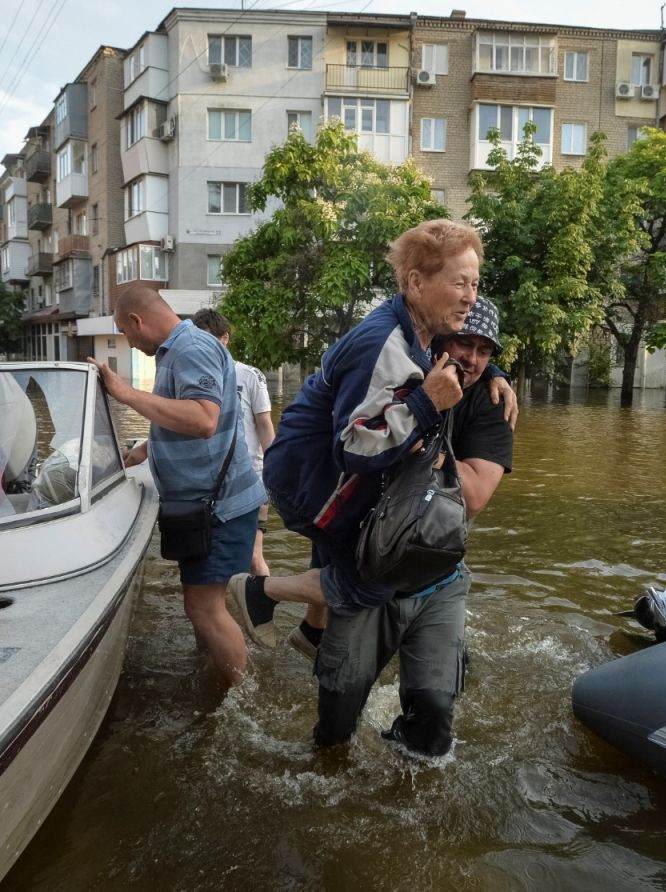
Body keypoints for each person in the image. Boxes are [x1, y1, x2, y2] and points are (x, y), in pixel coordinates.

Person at [229, 219, 513, 751]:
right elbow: (354, 449)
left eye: (475, 284)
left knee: (357, 564)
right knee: (367, 581)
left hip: (326, 480)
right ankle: (259, 592)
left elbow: (461, 363)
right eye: (461, 283)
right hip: (312, 485)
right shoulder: (386, 343)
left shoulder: (419, 334)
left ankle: (313, 633)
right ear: (415, 283)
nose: (470, 296)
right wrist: (428, 403)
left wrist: (496, 375)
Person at [89, 285, 265, 689]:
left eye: (125, 333)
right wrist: (149, 448)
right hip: (208, 506)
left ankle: (245, 698)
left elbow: (203, 419)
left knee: (204, 609)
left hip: (220, 508)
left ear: (137, 321)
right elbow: (207, 420)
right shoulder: (179, 349)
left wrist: (127, 393)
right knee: (204, 606)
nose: (130, 344)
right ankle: (213, 679)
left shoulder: (190, 348)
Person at [191, 309, 276, 577]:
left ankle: (262, 614)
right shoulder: (193, 376)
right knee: (212, 560)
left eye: (208, 339)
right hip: (209, 485)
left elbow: (264, 425)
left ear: (224, 338)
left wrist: (277, 471)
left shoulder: (250, 375)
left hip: (251, 478)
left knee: (253, 557)